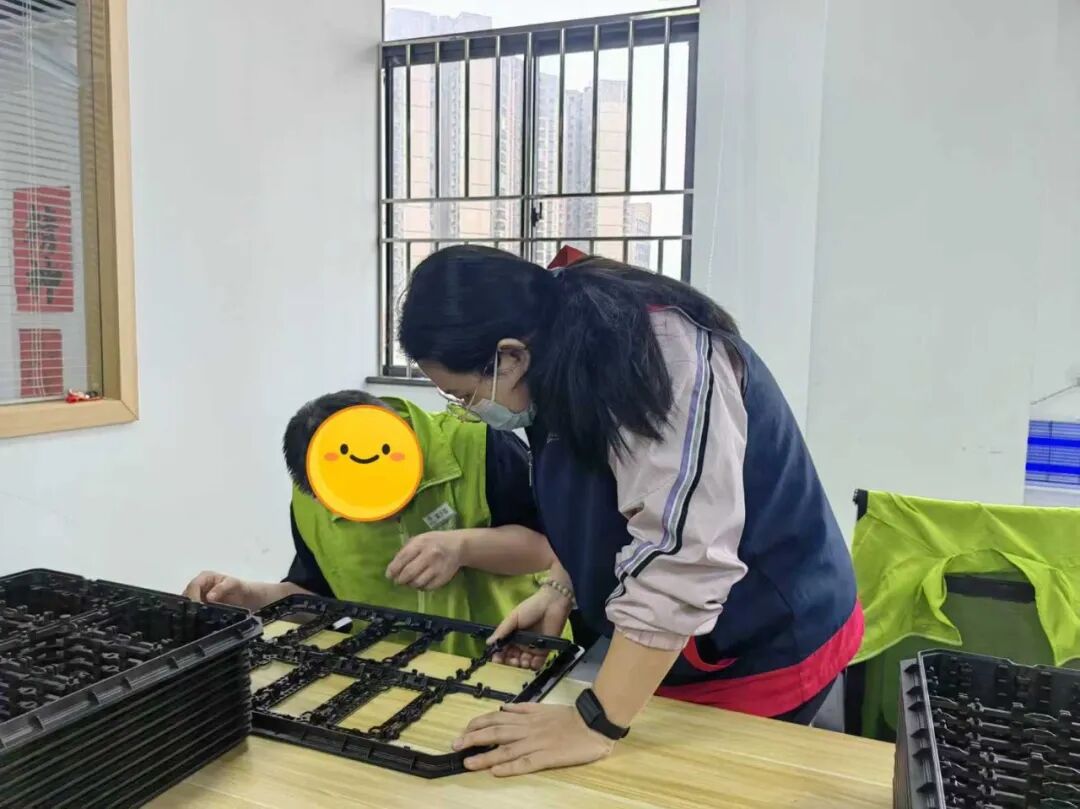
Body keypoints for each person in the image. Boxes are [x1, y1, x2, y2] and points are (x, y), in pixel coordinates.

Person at [397, 245, 863, 776]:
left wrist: (595, 721)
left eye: (463, 395)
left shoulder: (662, 358)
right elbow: (599, 492)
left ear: (510, 356)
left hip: (765, 637)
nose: (470, 411)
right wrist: (561, 586)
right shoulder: (552, 342)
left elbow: (685, 556)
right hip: (674, 639)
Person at [184, 391, 564, 657]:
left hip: (511, 656)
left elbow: (553, 550)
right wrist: (250, 597)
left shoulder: (476, 443)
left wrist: (462, 547)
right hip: (387, 672)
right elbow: (319, 599)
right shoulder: (315, 494)